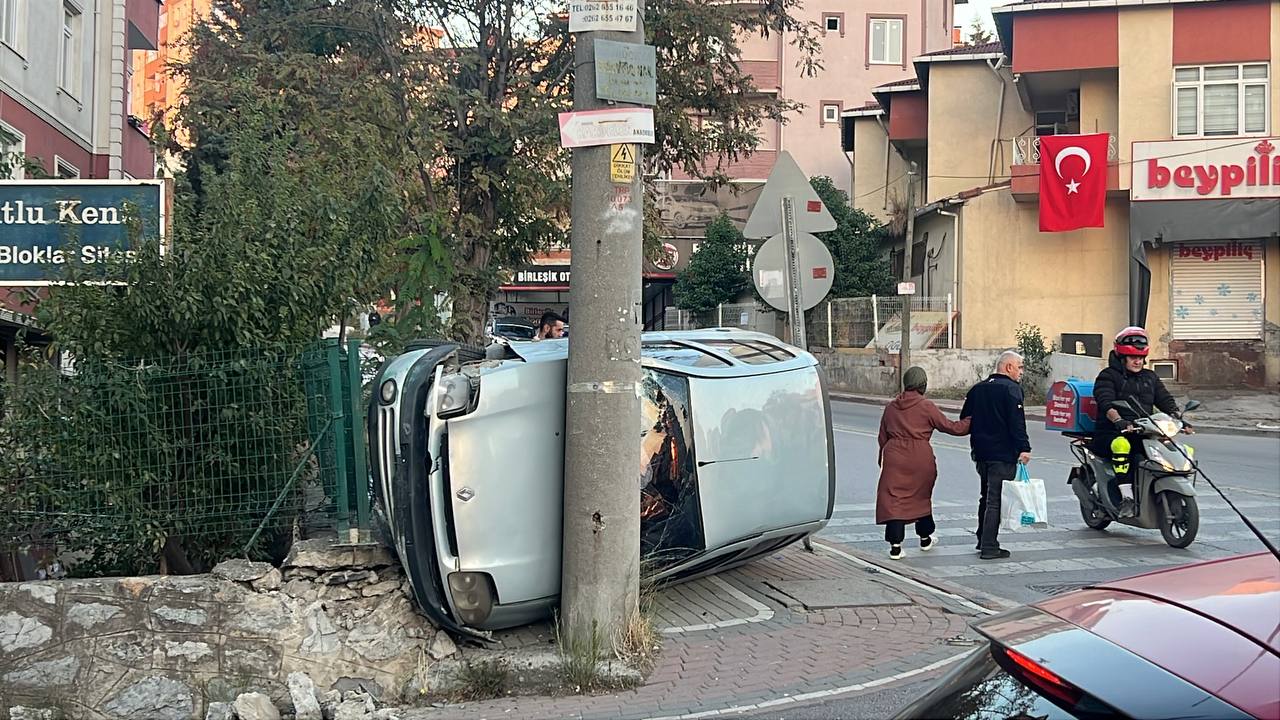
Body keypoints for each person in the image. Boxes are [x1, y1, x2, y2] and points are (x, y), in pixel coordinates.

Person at [876, 367, 971, 560]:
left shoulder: (891, 407)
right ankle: (925, 537)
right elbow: (951, 427)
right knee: (920, 497)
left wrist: (884, 459)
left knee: (895, 500)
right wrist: (973, 420)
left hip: (894, 456)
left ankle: (895, 546)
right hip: (919, 456)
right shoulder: (926, 406)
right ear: (923, 385)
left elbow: (882, 436)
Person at [1090, 326, 1183, 512]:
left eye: (1140, 358)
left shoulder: (1150, 377)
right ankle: (1127, 497)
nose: (1138, 362)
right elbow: (1105, 402)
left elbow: (1164, 399)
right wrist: (1119, 421)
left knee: (1176, 449)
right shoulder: (1108, 376)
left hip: (1144, 432)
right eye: (1133, 358)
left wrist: (1177, 416)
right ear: (1122, 358)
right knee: (1122, 446)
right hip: (1111, 432)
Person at [961, 350, 1032, 560]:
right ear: (1008, 367)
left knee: (986, 495)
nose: (1021, 372)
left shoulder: (978, 389)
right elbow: (1017, 422)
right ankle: (990, 546)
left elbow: (965, 417)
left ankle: (982, 538)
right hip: (1003, 454)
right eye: (1019, 367)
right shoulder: (1012, 389)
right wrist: (1024, 447)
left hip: (981, 453)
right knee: (995, 499)